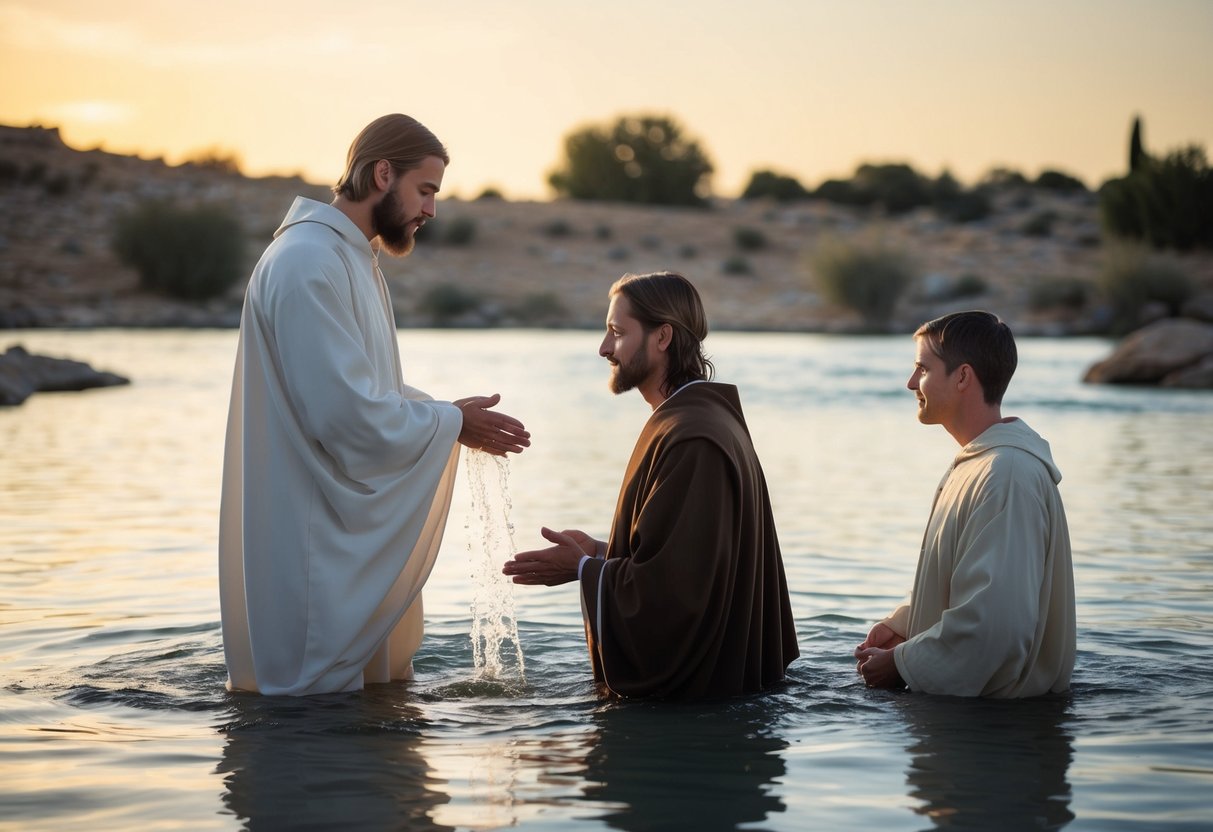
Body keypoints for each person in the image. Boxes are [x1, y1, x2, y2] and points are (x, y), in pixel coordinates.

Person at [219, 114, 530, 696]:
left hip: (328, 533)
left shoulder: (350, 258)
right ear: (383, 173)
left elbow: (366, 389)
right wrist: (450, 421)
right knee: (313, 737)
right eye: (425, 190)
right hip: (310, 542)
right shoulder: (307, 261)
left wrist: (450, 418)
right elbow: (343, 416)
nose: (431, 211)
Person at [502, 271, 799, 699]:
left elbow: (677, 595)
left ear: (663, 337)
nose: (604, 348)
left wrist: (582, 570)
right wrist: (602, 554)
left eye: (617, 333)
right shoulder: (696, 419)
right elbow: (695, 559)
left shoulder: (694, 436)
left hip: (699, 717)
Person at [854, 310, 1075, 698]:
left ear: (962, 377)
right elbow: (978, 588)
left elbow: (995, 626)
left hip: (996, 735)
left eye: (922, 369)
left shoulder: (1006, 474)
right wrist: (907, 624)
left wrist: (901, 663)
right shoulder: (982, 464)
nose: (910, 383)